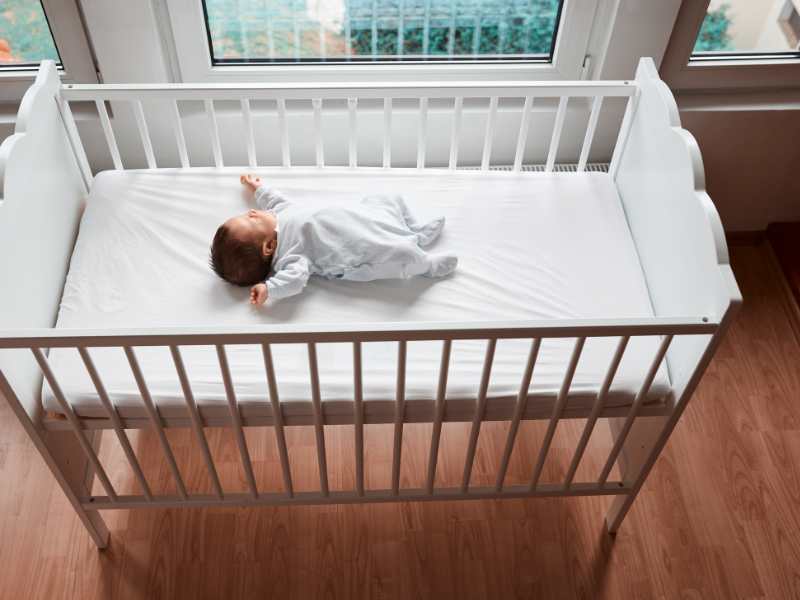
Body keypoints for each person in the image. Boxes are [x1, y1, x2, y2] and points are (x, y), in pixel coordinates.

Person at [209, 174, 457, 305]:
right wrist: (270, 288)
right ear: (269, 246)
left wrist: (259, 188)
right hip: (360, 249)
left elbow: (274, 200)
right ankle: (428, 265)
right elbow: (294, 281)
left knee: (388, 198)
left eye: (246, 212)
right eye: (250, 220)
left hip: (361, 217)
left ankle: (416, 231)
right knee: (402, 254)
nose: (252, 212)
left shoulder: (280, 213)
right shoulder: (291, 256)